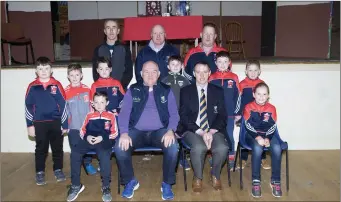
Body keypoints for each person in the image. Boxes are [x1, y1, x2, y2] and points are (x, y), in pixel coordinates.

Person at [114, 61, 179, 200]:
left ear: (159, 74)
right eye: (146, 71)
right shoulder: (133, 89)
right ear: (141, 74)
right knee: (120, 148)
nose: (150, 75)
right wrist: (124, 133)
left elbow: (174, 114)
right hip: (136, 131)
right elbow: (124, 113)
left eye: (154, 71)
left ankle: (167, 184)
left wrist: (170, 131)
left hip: (160, 132)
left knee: (173, 147)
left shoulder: (166, 90)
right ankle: (130, 181)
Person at [176, 61, 229, 193]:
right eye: (198, 72)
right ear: (194, 74)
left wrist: (210, 131)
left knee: (222, 148)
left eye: (205, 71)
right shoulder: (185, 91)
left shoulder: (218, 91)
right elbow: (184, 116)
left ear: (209, 73)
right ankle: (198, 177)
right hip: (192, 129)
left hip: (213, 129)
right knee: (199, 147)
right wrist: (200, 131)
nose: (202, 75)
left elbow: (222, 115)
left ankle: (215, 175)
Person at [67, 92, 118, 202]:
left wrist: (102, 138)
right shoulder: (89, 116)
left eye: (102, 102)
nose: (99, 105)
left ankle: (106, 187)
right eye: (96, 102)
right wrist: (88, 137)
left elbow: (114, 133)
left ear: (107, 103)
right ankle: (76, 185)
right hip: (89, 139)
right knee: (75, 152)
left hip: (104, 141)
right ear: (92, 103)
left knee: (104, 156)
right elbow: (82, 131)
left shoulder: (111, 116)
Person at [25, 56, 68, 185]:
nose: (43, 71)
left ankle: (58, 169)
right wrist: (30, 125)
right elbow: (28, 107)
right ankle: (39, 172)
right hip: (39, 123)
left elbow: (64, 105)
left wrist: (65, 124)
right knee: (40, 148)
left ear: (51, 70)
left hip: (55, 122)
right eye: (40, 69)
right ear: (36, 71)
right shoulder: (32, 87)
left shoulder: (57, 85)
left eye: (46, 68)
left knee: (57, 148)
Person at [242, 82, 282, 198]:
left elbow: (273, 126)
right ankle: (256, 181)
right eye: (258, 94)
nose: (261, 97)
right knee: (258, 148)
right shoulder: (248, 107)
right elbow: (247, 126)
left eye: (264, 94)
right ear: (254, 94)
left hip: (268, 134)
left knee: (277, 148)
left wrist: (268, 138)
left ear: (268, 95)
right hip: (251, 135)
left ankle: (275, 181)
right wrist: (257, 137)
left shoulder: (272, 108)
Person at [235, 60, 270, 170]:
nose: (253, 72)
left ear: (259, 71)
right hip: (245, 117)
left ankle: (262, 158)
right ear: (246, 71)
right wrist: (238, 114)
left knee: (261, 135)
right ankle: (243, 159)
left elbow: (265, 101)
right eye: (250, 70)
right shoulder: (241, 84)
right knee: (245, 136)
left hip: (259, 117)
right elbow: (238, 101)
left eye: (255, 70)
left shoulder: (262, 84)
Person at [208, 51, 240, 169]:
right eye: (220, 62)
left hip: (230, 114)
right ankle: (213, 155)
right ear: (216, 63)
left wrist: (237, 112)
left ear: (229, 63)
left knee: (229, 135)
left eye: (225, 62)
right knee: (214, 135)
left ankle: (231, 156)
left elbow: (238, 96)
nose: (222, 64)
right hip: (215, 115)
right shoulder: (211, 78)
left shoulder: (234, 77)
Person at [65, 63, 98, 175]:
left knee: (87, 147)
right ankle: (76, 167)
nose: (74, 78)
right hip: (73, 127)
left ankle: (88, 164)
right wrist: (65, 126)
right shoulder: (65, 92)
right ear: (68, 76)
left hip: (86, 126)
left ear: (81, 75)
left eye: (77, 74)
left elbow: (92, 107)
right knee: (75, 148)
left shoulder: (87, 90)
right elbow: (64, 111)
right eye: (72, 75)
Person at [161, 55, 191, 171]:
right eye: (172, 64)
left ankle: (182, 158)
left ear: (181, 66)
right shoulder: (163, 81)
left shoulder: (185, 81)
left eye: (177, 65)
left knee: (180, 136)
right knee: (170, 136)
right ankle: (171, 159)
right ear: (168, 66)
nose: (175, 67)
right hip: (168, 115)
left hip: (181, 114)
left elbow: (189, 97)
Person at [92, 19, 133, 91]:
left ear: (118, 31)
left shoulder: (125, 49)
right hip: (102, 91)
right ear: (105, 31)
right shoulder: (98, 50)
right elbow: (95, 72)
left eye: (114, 27)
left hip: (121, 90)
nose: (111, 30)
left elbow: (129, 72)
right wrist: (101, 86)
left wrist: (119, 87)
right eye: (108, 28)